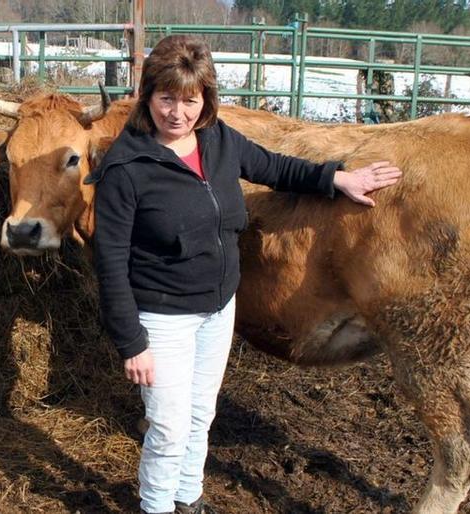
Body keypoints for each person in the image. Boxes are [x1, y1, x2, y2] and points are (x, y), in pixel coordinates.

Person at [85, 35, 401, 514]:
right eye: (166, 98)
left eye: (190, 100)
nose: (177, 113)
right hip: (164, 318)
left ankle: (188, 499)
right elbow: (108, 261)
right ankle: (155, 507)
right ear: (148, 96)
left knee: (199, 416)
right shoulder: (125, 168)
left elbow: (274, 167)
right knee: (168, 428)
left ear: (205, 100)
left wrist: (339, 179)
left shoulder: (218, 140)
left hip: (217, 310)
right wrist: (132, 342)